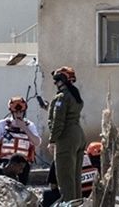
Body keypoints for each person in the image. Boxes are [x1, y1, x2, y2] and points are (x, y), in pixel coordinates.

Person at [47, 66, 85, 203]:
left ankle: (69, 203)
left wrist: (52, 140)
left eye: (57, 80)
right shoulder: (75, 96)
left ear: (63, 81)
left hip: (66, 137)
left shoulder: (62, 97)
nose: (55, 83)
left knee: (65, 178)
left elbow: (58, 121)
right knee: (75, 177)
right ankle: (78, 203)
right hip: (78, 135)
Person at [0, 96, 41, 184]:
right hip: (6, 163)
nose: (19, 114)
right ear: (12, 112)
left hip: (22, 165)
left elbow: (37, 142)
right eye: (16, 112)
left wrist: (24, 128)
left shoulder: (30, 125)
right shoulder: (3, 124)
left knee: (21, 188)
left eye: (21, 112)